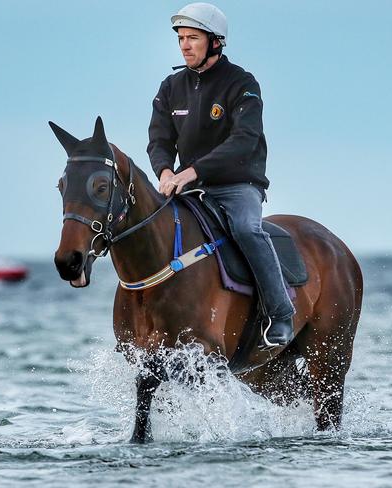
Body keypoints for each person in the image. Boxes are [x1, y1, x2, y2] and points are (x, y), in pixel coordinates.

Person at [147, 2, 295, 348]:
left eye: (193, 38)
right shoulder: (170, 87)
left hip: (238, 186)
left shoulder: (242, 83)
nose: (185, 45)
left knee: (246, 228)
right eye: (181, 38)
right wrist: (166, 170)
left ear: (215, 42)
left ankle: (281, 312)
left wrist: (192, 171)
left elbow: (244, 141)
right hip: (187, 186)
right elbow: (159, 140)